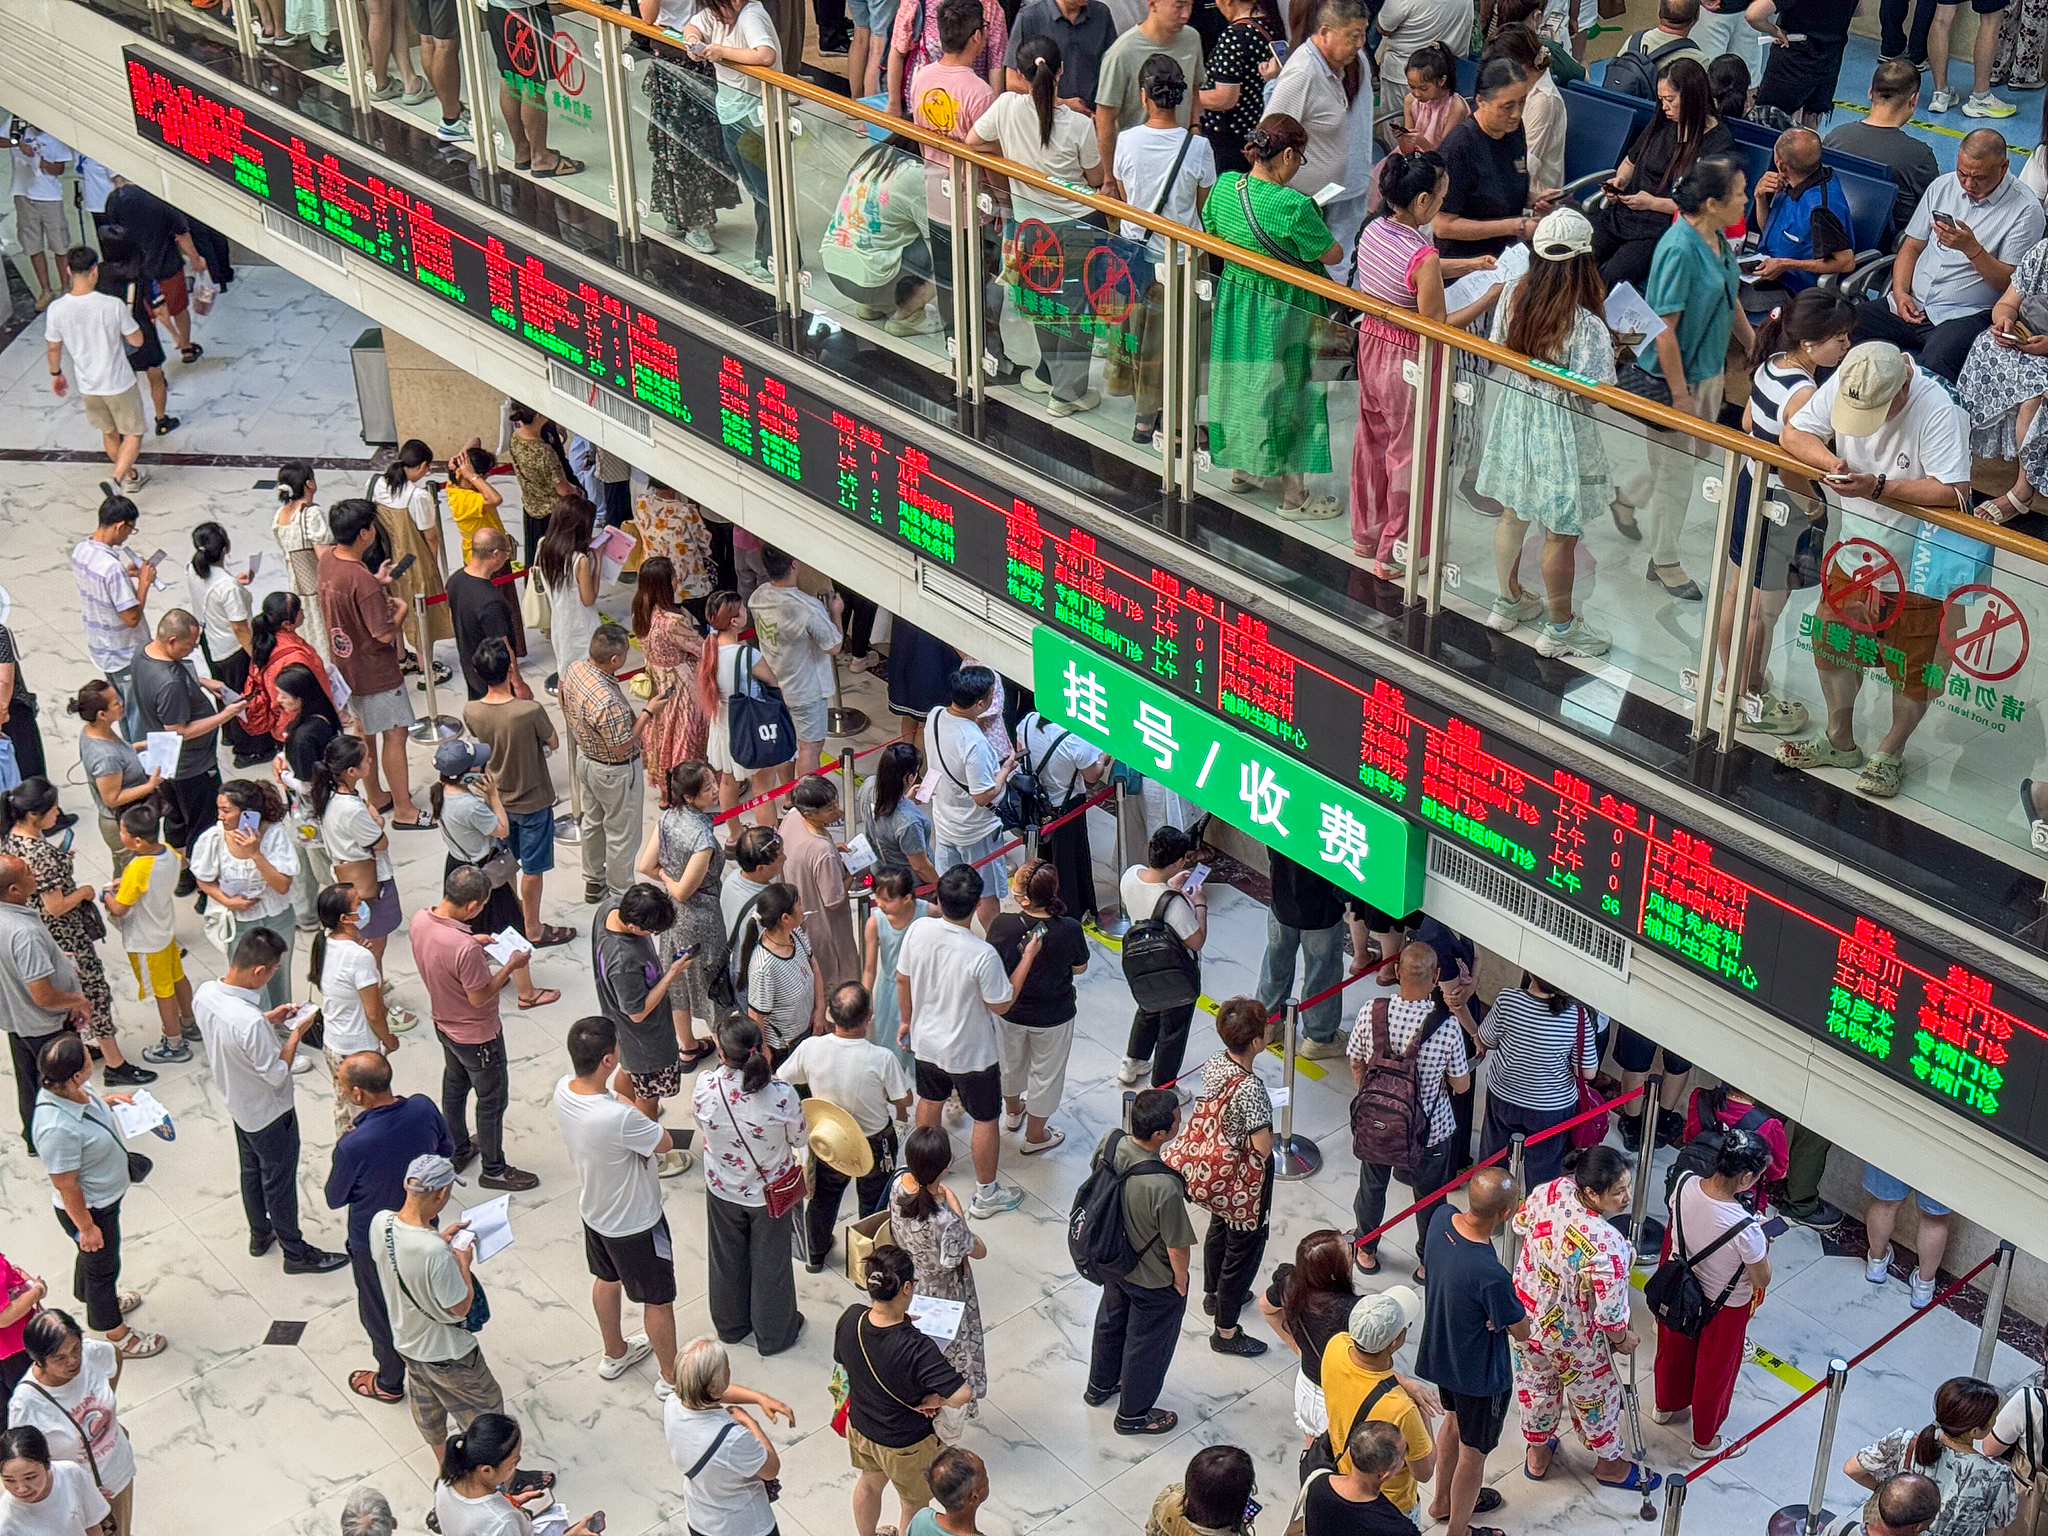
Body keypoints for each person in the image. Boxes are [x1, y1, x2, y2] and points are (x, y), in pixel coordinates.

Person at [1776, 341, 1982, 800]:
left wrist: (1879, 487)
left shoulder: (1938, 407)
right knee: (1831, 647)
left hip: (1919, 570)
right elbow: (1793, 435)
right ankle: (1838, 740)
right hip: (1856, 557)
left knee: (1912, 669)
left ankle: (1891, 750)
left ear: (1904, 385)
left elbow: (1955, 491)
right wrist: (1832, 463)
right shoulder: (1856, 374)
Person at [1349, 150, 1500, 572]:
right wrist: (1489, 296)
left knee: (1374, 442)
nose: (1442, 205)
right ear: (1421, 202)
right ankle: (1400, 550)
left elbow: (1415, 275)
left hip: (1373, 341)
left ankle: (1368, 534)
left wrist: (1470, 264)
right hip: (1411, 358)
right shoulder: (1423, 255)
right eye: (1440, 198)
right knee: (1411, 453)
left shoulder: (1375, 229)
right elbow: (1439, 324)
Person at [1716, 289, 1858, 735]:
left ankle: (1727, 681)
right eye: (1839, 338)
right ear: (1810, 343)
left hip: (1748, 487)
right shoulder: (1805, 393)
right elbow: (1792, 463)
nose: (1846, 347)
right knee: (1765, 610)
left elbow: (1746, 426)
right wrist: (1815, 508)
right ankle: (1750, 694)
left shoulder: (1768, 366)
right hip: (1781, 503)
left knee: (1738, 594)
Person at [1476, 207, 1615, 655]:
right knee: (1560, 530)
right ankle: (1560, 628)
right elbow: (1597, 391)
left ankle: (1508, 600)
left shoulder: (1515, 293)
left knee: (1513, 511)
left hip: (1516, 411)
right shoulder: (1587, 324)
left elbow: (1498, 348)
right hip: (1561, 427)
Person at [1618, 156, 1754, 600]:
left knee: (1683, 459)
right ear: (1713, 202)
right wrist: (1681, 397)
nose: (1747, 201)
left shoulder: (1716, 237)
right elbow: (1664, 331)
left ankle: (1627, 497)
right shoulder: (1679, 248)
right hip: (1679, 380)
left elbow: (1728, 292)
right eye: (1739, 195)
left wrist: (1751, 342)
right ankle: (1665, 561)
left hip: (1710, 372)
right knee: (1678, 473)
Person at [1203, 113, 1342, 516]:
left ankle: (1242, 469)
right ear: (1285, 154)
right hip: (1285, 309)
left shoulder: (1227, 185)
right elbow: (1331, 254)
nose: (1300, 165)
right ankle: (1293, 496)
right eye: (1300, 157)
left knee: (1241, 379)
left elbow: (1211, 227)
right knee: (1290, 392)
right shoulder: (1295, 206)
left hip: (1235, 298)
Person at [965, 37, 1110, 417]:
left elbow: (972, 142)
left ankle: (1051, 375)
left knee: (1044, 302)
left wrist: (1010, 159)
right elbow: (1095, 178)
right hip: (1077, 226)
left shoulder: (1006, 107)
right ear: (1060, 71)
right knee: (1077, 311)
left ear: (1019, 73)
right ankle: (1067, 393)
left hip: (1030, 228)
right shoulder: (1079, 124)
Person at [193, 928, 349, 1274]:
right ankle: (295, 1252)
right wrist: (295, 1033)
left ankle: (259, 1233)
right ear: (259, 971)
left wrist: (269, 1019)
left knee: (250, 1171)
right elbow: (278, 1072)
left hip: (238, 1103)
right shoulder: (248, 1023)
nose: (276, 974)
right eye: (276, 969)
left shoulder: (206, 994)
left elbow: (231, 1032)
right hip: (270, 1113)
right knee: (280, 1182)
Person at [1512, 1146, 1658, 1490]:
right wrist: (1624, 1341)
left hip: (1525, 1317)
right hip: (1573, 1336)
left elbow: (1520, 1224)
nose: (1626, 1197)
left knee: (1535, 1384)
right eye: (1618, 1191)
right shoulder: (1609, 1246)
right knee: (1596, 1395)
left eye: (1627, 1187)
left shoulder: (1551, 1190)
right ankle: (1609, 1465)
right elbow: (1610, 1317)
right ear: (1591, 1192)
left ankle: (1537, 1451)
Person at [553, 1015, 685, 1393]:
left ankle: (614, 1352)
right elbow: (664, 1143)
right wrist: (632, 1104)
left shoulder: (564, 1090)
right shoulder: (619, 1117)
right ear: (608, 1061)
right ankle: (671, 1378)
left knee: (606, 1279)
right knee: (658, 1300)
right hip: (637, 1222)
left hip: (595, 1212)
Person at [1855, 132, 2044, 382]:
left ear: (2004, 167)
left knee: (1934, 366)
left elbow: (2011, 284)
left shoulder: (2025, 211)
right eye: (1962, 174)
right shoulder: (1943, 186)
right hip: (1912, 303)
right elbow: (1911, 247)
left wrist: (1972, 249)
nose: (1968, 185)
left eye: (1978, 178)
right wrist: (1900, 294)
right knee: (1843, 328)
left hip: (1964, 315)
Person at [324, 1049, 455, 1405]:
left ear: (357, 1094)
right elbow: (446, 1149)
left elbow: (335, 1198)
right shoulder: (423, 1108)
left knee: (379, 1311)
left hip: (375, 1242)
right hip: (425, 1227)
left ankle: (390, 1381)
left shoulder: (354, 1144)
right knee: (428, 1297)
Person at [897, 865, 1029, 1217]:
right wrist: (1027, 958)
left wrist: (907, 1020)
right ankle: (986, 1193)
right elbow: (1000, 1004)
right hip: (972, 1054)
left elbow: (902, 977)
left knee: (930, 1100)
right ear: (975, 907)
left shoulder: (919, 930)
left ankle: (924, 1175)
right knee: (986, 1119)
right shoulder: (980, 953)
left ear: (938, 898)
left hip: (927, 1042)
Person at [412, 864, 549, 1192]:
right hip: (478, 1036)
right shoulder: (464, 949)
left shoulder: (420, 919)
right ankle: (494, 1168)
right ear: (472, 906)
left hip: (444, 1025)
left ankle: (458, 1147)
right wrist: (510, 966)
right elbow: (480, 996)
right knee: (491, 1100)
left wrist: (475, 942)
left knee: (455, 1086)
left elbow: (444, 950)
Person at [31, 1034, 163, 1359]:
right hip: (90, 1210)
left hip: (104, 1200)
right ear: (76, 1074)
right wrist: (88, 1227)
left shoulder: (73, 1089)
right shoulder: (56, 1129)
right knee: (104, 1267)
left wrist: (109, 1102)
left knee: (93, 1261)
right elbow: (67, 1184)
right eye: (87, 1058)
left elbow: (89, 1106)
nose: (93, 1057)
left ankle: (86, 1294)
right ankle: (115, 1330)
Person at [1411, 1168, 1526, 1536]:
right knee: (1474, 1453)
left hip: (1443, 1353)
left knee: (1452, 1421)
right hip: (1481, 1375)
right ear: (1505, 1214)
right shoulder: (1491, 1274)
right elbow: (1522, 1331)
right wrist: (1501, 1317)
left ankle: (1441, 1501)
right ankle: (1458, 1529)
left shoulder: (1441, 1220)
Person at [371, 1154, 508, 1457]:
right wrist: (461, 1261)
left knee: (429, 1412)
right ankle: (493, 1484)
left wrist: (439, 1242)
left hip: (408, 1342)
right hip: (447, 1352)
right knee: (488, 1415)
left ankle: (445, 1469)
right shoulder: (434, 1252)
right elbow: (459, 1306)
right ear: (442, 1193)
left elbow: (407, 1262)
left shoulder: (380, 1223)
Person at [0, 782, 136, 1086]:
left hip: (43, 929)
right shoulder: (39, 855)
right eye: (53, 810)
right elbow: (56, 906)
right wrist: (85, 892)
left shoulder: (11, 842)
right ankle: (115, 1062)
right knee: (93, 993)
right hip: (65, 935)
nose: (58, 814)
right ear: (35, 815)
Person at [1350, 943, 1474, 1275]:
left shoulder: (1371, 1011)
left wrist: (1375, 1102)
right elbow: (1462, 1086)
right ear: (1435, 978)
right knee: (1430, 1198)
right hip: (1430, 1132)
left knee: (1372, 1188)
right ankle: (1425, 1263)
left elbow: (1357, 1062)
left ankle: (1366, 1249)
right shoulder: (1446, 1027)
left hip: (1376, 1125)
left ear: (1397, 972)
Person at [837, 1246, 972, 1536]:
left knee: (869, 1484)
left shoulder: (852, 1319)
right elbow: (962, 1394)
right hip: (905, 1443)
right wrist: (935, 1398)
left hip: (861, 1425)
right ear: (907, 1287)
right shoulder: (917, 1347)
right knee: (913, 1504)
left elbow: (845, 1365)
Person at [1654, 1127, 1772, 1458]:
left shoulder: (1684, 1184)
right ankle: (1704, 1440)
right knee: (1715, 1372)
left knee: (1673, 1347)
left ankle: (1665, 1405)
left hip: (1680, 1285)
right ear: (1746, 1178)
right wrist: (1763, 1244)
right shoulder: (1746, 1229)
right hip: (1725, 1304)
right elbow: (1761, 1279)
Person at [1084, 1087, 1195, 1435]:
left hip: (1112, 1259)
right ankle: (1133, 1414)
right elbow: (1177, 1246)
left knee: (1111, 1321)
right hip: (1152, 1278)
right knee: (1147, 1345)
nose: (1181, 1119)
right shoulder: (1163, 1185)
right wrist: (1180, 1281)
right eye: (1177, 1118)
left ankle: (1100, 1386)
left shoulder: (1111, 1142)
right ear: (1160, 1134)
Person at [695, 1017, 806, 1355]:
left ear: (721, 1052)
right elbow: (799, 1138)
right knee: (771, 1264)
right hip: (770, 1191)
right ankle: (774, 1334)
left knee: (725, 1259)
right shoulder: (782, 1095)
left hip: (722, 1187)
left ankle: (730, 1326)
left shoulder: (705, 1086)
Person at [781, 981, 911, 1268]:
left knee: (822, 1199)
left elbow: (781, 1080)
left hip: (828, 1136)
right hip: (873, 1141)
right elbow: (904, 1099)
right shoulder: (882, 1058)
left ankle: (815, 1253)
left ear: (829, 1014)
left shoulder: (810, 1048)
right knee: (873, 1202)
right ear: (869, 1017)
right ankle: (866, 1263)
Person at [1173, 998, 1276, 1356]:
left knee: (1219, 1227)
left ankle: (1213, 1295)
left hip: (1216, 1172)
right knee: (1242, 1252)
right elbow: (1262, 1147)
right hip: (1243, 1181)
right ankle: (1227, 1332)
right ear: (1256, 1042)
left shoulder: (1216, 1062)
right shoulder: (1251, 1089)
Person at [319, 499, 425, 826]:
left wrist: (374, 585)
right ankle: (405, 809)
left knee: (365, 730)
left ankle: (377, 794)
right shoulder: (360, 578)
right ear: (365, 533)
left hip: (346, 666)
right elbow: (382, 635)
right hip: (375, 670)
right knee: (395, 733)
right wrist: (401, 612)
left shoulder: (328, 561)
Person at [464, 639, 574, 949]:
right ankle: (534, 926)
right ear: (509, 669)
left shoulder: (471, 710)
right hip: (533, 798)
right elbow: (552, 742)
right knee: (534, 868)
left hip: (497, 800)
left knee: (506, 863)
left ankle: (512, 919)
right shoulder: (528, 710)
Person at [1591, 58, 1734, 290]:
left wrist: (1653, 203)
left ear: (1691, 98)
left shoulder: (1718, 144)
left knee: (1610, 277)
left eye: (1670, 100)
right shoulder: (1663, 123)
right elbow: (1630, 161)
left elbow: (1702, 207)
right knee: (1576, 255)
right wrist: (1621, 180)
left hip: (1660, 229)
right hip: (1623, 214)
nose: (1664, 107)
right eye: (1661, 100)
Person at [128, 609, 247, 870]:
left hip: (165, 762)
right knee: (202, 825)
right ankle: (203, 878)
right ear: (171, 640)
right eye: (189, 645)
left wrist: (202, 682)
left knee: (176, 819)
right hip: (192, 765)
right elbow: (178, 730)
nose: (193, 650)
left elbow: (179, 674)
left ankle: (181, 874)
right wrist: (224, 715)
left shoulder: (144, 653)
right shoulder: (169, 683)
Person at [984, 858, 1088, 1153]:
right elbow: (1079, 969)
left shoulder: (1002, 925)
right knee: (1047, 1074)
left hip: (1011, 1013)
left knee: (1009, 1062)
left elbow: (993, 968)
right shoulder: (1068, 928)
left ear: (1025, 898)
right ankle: (1035, 1135)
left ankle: (1013, 1112)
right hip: (1054, 1015)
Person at [888, 1125, 989, 1422]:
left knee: (919, 1351)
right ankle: (951, 1407)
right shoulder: (945, 1220)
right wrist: (954, 1204)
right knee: (954, 1351)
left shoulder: (897, 1187)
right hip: (946, 1293)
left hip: (910, 1282)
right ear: (945, 1167)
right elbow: (977, 1249)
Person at [6, 1311, 135, 1536]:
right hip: (77, 1498)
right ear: (39, 1360)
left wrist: (107, 1412)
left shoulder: (91, 1353)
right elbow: (25, 1460)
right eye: (59, 1358)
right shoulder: (26, 1404)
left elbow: (113, 1356)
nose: (73, 1360)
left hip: (118, 1472)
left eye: (75, 1349)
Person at [635, 760, 727, 1071]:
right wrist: (671, 880)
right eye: (708, 788)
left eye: (714, 782)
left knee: (677, 981)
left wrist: (662, 872)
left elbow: (645, 865)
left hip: (671, 918)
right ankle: (727, 1051)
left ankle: (687, 1047)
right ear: (689, 796)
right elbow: (684, 890)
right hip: (701, 918)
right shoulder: (701, 840)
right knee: (711, 985)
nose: (716, 790)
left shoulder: (667, 818)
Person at [682, 0, 782, 282]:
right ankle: (765, 256)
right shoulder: (716, 14)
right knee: (755, 189)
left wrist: (721, 51)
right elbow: (693, 26)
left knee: (766, 193)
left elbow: (765, 55)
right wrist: (693, 42)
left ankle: (777, 260)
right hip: (731, 112)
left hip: (756, 119)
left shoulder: (750, 16)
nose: (716, 15)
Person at [0, 856, 91, 1155]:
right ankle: (65, 1146)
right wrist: (77, 999)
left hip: (16, 1019)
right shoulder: (23, 934)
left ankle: (34, 1140)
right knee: (61, 1086)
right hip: (45, 1025)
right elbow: (43, 996)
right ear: (14, 889)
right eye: (28, 871)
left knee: (29, 1084)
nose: (34, 871)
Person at [591, 883, 693, 1144]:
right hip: (644, 1039)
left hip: (622, 1034)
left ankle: (624, 1114)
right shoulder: (625, 962)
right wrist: (671, 973)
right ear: (634, 928)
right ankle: (648, 1146)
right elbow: (636, 1013)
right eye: (653, 931)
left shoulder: (611, 907)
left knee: (628, 1070)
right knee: (648, 1096)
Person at [1473, 973, 1598, 1185]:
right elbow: (1588, 1072)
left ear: (1531, 972)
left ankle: (1489, 1205)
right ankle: (1536, 1212)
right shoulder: (1577, 1015)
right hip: (1551, 1108)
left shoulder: (1508, 1000)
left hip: (1504, 1095)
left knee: (1493, 1161)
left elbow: (1485, 1040)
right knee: (1544, 1171)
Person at [1848, 1380, 2014, 1536]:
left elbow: (1851, 1469)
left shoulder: (1903, 1441)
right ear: (1975, 1431)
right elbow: (1995, 1531)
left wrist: (1889, 1495)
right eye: (1993, 1419)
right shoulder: (1997, 1477)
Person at [1960, 232, 2048, 523]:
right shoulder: (2042, 251)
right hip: (2029, 342)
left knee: (2036, 391)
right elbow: (2007, 303)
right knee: (1986, 342)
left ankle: (2023, 490)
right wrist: (2004, 323)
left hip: (2042, 353)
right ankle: (1963, 460)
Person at [664, 1337, 792, 1536]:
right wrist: (750, 1422)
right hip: (745, 1526)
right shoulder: (732, 1438)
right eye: (726, 1369)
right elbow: (771, 1469)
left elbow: (709, 1393)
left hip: (700, 1520)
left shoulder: (672, 1404)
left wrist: (759, 1398)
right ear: (713, 1387)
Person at [1319, 1289, 1435, 1508]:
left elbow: (1368, 1370)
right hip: (1392, 1503)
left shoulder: (1336, 1345)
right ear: (1394, 1343)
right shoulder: (1401, 1409)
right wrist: (1423, 1413)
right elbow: (1425, 1471)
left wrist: (1404, 1382)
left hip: (1344, 1479)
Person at [191, 779, 301, 1011]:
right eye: (219, 809)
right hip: (240, 922)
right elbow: (203, 878)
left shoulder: (274, 835)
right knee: (247, 982)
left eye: (226, 811)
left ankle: (282, 1019)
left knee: (279, 974)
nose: (220, 816)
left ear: (247, 814)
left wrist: (255, 854)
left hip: (277, 917)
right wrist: (227, 901)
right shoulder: (214, 838)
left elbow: (282, 885)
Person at [44, 248, 146, 497]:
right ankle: (116, 478)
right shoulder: (111, 305)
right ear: (95, 271)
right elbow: (137, 341)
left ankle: (130, 475)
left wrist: (56, 373)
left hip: (88, 385)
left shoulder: (56, 309)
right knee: (133, 433)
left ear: (68, 271)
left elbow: (53, 347)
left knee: (109, 432)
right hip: (118, 382)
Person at [1117, 825, 1209, 1095]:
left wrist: (1170, 886)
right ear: (1179, 861)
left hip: (1141, 962)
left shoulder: (1130, 876)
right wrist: (1200, 905)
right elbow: (1196, 940)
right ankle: (1163, 1086)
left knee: (1148, 1009)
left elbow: (1149, 898)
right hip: (1174, 970)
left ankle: (1132, 1062)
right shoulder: (1174, 905)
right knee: (1173, 1030)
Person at [920, 667, 1015, 926]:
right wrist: (1005, 770)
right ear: (980, 703)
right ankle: (994, 945)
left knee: (950, 893)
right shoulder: (974, 743)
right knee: (986, 894)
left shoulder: (935, 716)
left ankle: (952, 934)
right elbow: (982, 797)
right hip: (976, 831)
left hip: (945, 819)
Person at [104, 806, 198, 1065]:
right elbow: (176, 867)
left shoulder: (138, 867)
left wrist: (106, 896)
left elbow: (121, 909)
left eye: (122, 830)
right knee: (178, 977)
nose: (120, 833)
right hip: (165, 929)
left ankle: (174, 1042)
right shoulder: (166, 851)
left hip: (146, 938)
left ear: (137, 841)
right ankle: (189, 1022)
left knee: (162, 991)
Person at [562, 626, 647, 905]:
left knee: (592, 822)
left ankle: (593, 880)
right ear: (614, 660)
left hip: (585, 760)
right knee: (622, 833)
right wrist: (648, 713)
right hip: (615, 771)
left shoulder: (574, 670)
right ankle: (622, 892)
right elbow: (621, 745)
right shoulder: (608, 702)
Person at [820, 134, 940, 333]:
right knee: (952, 249)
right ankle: (905, 314)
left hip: (834, 270)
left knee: (885, 232)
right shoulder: (914, 173)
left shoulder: (873, 158)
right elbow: (938, 233)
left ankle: (875, 306)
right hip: (871, 282)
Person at [313, 735, 406, 984]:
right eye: (366, 759)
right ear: (352, 770)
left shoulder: (330, 795)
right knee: (374, 943)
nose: (371, 761)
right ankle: (373, 990)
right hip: (368, 880)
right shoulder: (351, 809)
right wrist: (377, 820)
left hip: (344, 872)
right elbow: (380, 842)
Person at [1434, 59, 1548, 262]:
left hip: (1507, 251)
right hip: (1467, 259)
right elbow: (1443, 226)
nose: (1516, 114)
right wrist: (1514, 226)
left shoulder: (1513, 129)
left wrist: (1534, 198)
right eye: (1507, 107)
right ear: (1481, 102)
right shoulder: (1458, 149)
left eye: (1522, 103)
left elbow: (1505, 181)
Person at [1094, 0, 1209, 195]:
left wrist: (1194, 125)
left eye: (1190, 5)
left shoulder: (1192, 39)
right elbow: (1105, 119)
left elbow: (1195, 85)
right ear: (1153, 4)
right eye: (1178, 6)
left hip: (1181, 155)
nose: (1186, 14)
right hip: (1137, 161)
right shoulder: (1122, 53)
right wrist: (1110, 178)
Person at [700, 589, 792, 829]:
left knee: (728, 783)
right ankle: (768, 836)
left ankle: (734, 833)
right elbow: (772, 682)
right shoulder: (747, 654)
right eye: (742, 610)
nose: (745, 612)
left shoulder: (708, 649)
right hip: (751, 725)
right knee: (763, 789)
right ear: (734, 621)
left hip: (723, 724)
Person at [1259, 1229, 1360, 1443]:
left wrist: (1297, 1346)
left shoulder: (1289, 1284)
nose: (1352, 1247)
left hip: (1306, 1387)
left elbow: (1267, 1308)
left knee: (1313, 1456)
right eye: (1347, 1247)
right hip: (1339, 1397)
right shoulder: (1351, 1311)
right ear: (1334, 1271)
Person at [69, 496, 155, 736]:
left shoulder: (80, 551)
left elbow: (100, 589)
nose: (128, 536)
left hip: (101, 646)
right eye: (130, 529)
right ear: (120, 526)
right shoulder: (111, 568)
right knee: (136, 715)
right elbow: (131, 619)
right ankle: (141, 764)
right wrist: (144, 584)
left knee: (120, 708)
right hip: (124, 652)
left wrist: (126, 580)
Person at [182, 523, 265, 767]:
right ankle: (249, 748)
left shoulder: (194, 569)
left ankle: (229, 734)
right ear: (226, 548)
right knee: (242, 696)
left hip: (211, 641)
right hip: (233, 649)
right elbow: (239, 627)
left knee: (223, 691)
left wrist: (235, 584)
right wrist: (255, 656)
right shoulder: (227, 587)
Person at [1826, 60, 1941, 239]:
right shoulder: (1919, 156)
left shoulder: (1835, 137)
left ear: (1870, 93)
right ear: (1913, 100)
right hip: (1885, 246)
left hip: (1831, 234)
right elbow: (1934, 208)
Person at [435, 1412, 595, 1536]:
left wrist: (509, 1502)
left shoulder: (446, 1480)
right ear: (486, 1470)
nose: (516, 1466)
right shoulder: (503, 1522)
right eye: (513, 1463)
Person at [368, 442, 452, 677]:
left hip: (385, 561)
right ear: (423, 466)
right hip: (412, 563)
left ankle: (401, 658)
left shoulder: (377, 483)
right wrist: (432, 565)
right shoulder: (418, 496)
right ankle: (427, 670)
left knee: (393, 605)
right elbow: (430, 536)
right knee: (420, 614)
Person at [430, 739, 525, 941]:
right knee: (509, 932)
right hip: (480, 871)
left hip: (457, 863)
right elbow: (502, 830)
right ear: (468, 775)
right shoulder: (469, 806)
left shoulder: (440, 792)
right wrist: (493, 795)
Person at [632, 558, 710, 795]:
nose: (678, 579)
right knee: (686, 740)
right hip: (682, 687)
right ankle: (687, 792)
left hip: (657, 684)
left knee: (663, 738)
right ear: (665, 584)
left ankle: (666, 794)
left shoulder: (641, 611)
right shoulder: (673, 621)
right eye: (674, 576)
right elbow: (702, 648)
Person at [778, 775, 860, 996]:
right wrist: (851, 873)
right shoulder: (821, 852)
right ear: (810, 814)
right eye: (830, 808)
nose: (837, 811)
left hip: (801, 917)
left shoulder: (793, 817)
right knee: (839, 981)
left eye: (835, 803)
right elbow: (833, 900)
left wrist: (834, 848)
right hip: (826, 928)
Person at [69, 682, 156, 870]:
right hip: (121, 823)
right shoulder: (105, 757)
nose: (121, 703)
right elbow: (112, 798)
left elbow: (118, 757)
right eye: (115, 703)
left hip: (124, 818)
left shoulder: (93, 731)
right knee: (132, 874)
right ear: (102, 714)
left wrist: (135, 747)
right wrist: (151, 785)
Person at [740, 882, 824, 1061]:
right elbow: (756, 1015)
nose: (803, 908)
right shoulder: (763, 968)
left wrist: (820, 1009)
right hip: (784, 1046)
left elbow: (814, 967)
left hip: (808, 1030)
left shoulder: (795, 934)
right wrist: (764, 1050)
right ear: (785, 918)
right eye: (799, 904)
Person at [446, 527, 530, 704]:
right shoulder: (491, 601)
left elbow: (452, 619)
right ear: (496, 554)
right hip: (496, 680)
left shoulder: (455, 580)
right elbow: (504, 645)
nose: (507, 557)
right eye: (506, 553)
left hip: (471, 667)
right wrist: (518, 683)